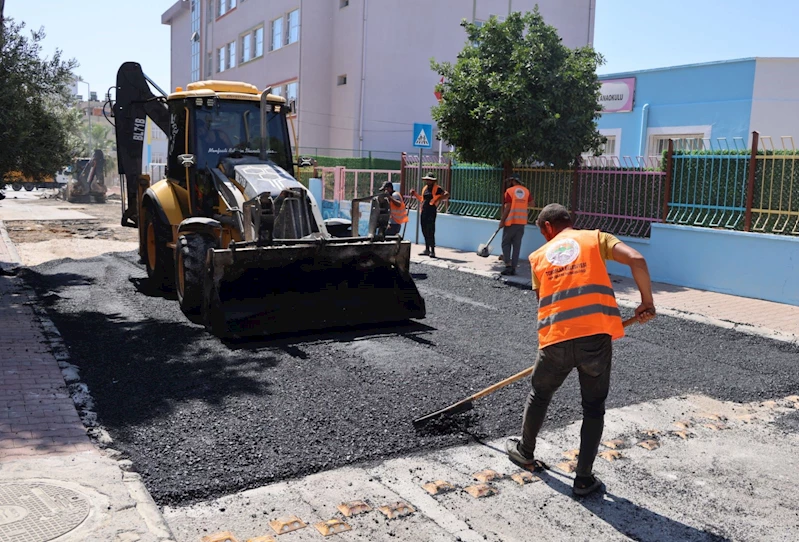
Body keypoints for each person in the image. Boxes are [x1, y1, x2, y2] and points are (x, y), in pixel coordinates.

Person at [505, 203, 656, 497]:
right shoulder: (596, 238)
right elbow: (637, 259)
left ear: (548, 227)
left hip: (555, 340)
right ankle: (584, 479)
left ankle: (525, 451)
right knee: (593, 407)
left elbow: (544, 301)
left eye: (542, 233)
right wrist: (646, 302)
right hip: (595, 341)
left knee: (540, 394)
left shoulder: (538, 257)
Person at [499, 174, 534, 276]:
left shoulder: (510, 191)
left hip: (511, 222)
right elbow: (532, 204)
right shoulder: (526, 191)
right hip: (521, 222)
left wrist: (502, 220)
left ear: (513, 181)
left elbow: (508, 207)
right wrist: (522, 203)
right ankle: (514, 268)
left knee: (505, 243)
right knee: (516, 245)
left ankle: (508, 266)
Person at [410, 174, 448, 258]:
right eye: (427, 180)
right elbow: (422, 199)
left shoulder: (437, 188)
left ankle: (432, 250)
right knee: (424, 230)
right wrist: (415, 194)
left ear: (433, 181)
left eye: (429, 180)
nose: (428, 181)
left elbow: (446, 194)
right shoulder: (425, 189)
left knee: (430, 230)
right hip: (424, 211)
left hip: (431, 211)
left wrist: (438, 199)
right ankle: (427, 249)